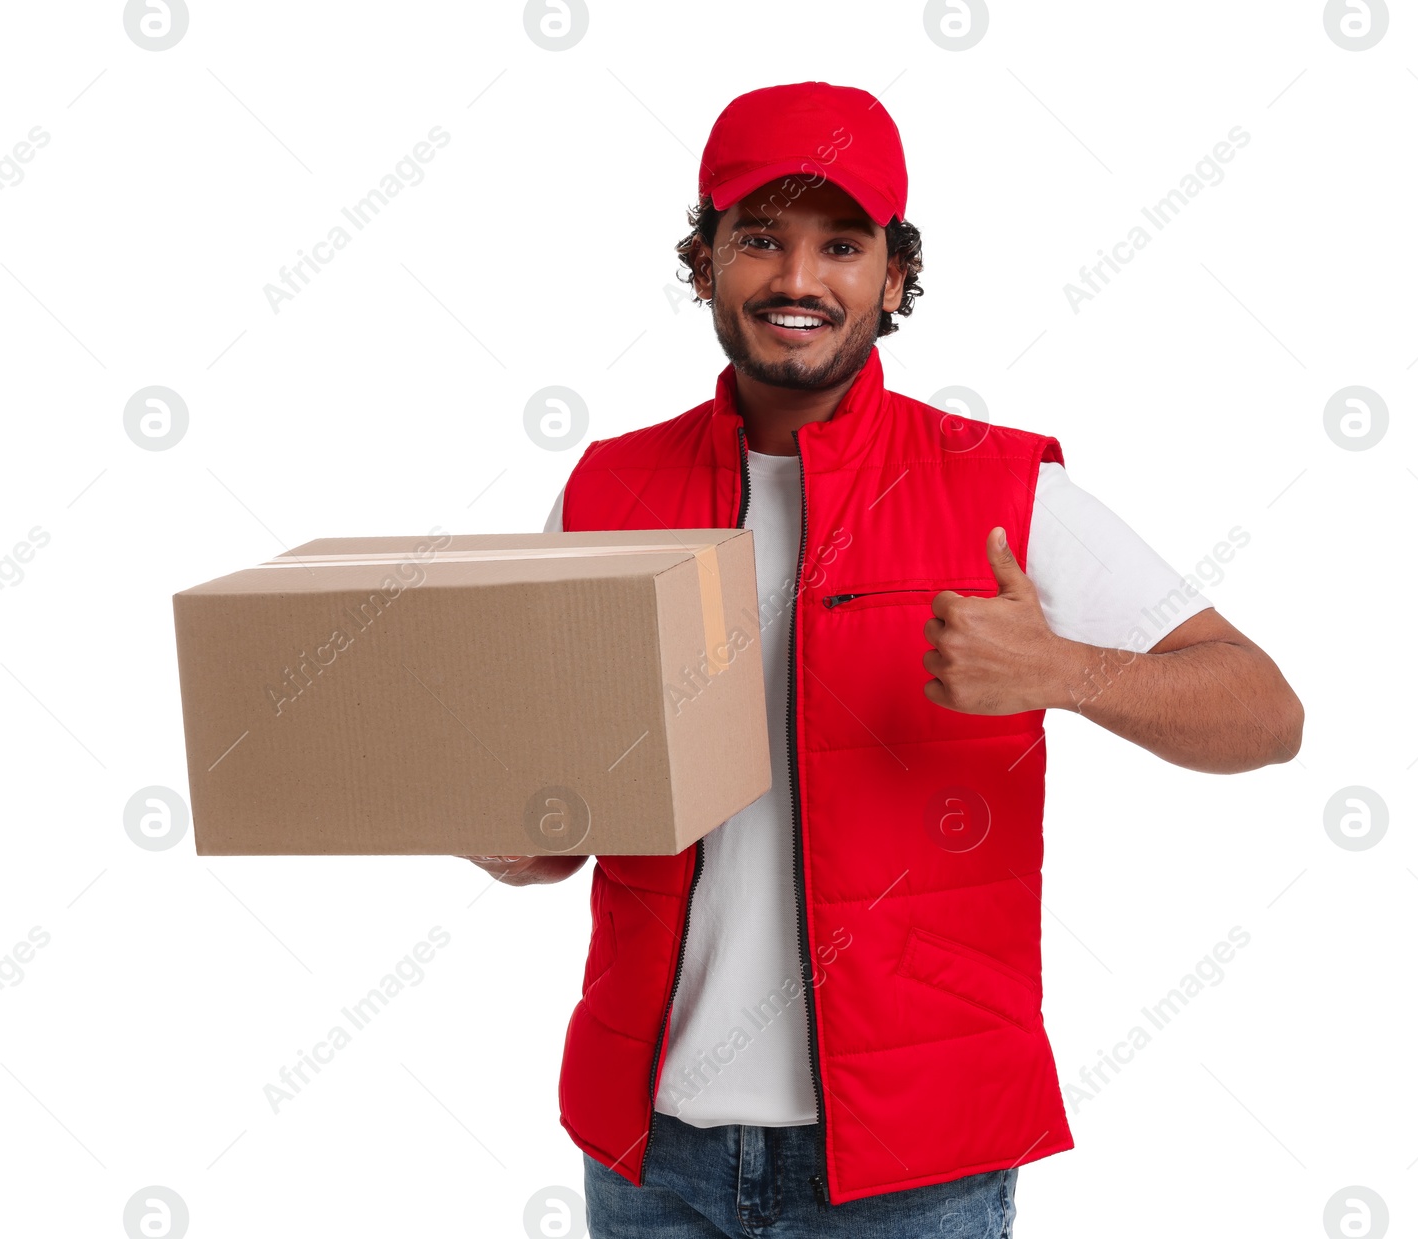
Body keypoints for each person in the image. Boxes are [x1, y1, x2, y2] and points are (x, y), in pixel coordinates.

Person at [467, 81, 1302, 1238]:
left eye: (841, 246)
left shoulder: (1002, 488)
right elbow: (554, 831)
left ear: (894, 278)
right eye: (757, 239)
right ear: (702, 262)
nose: (797, 280)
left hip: (913, 1169)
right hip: (649, 1149)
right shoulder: (606, 492)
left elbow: (1268, 713)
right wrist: (512, 839)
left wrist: (1065, 671)